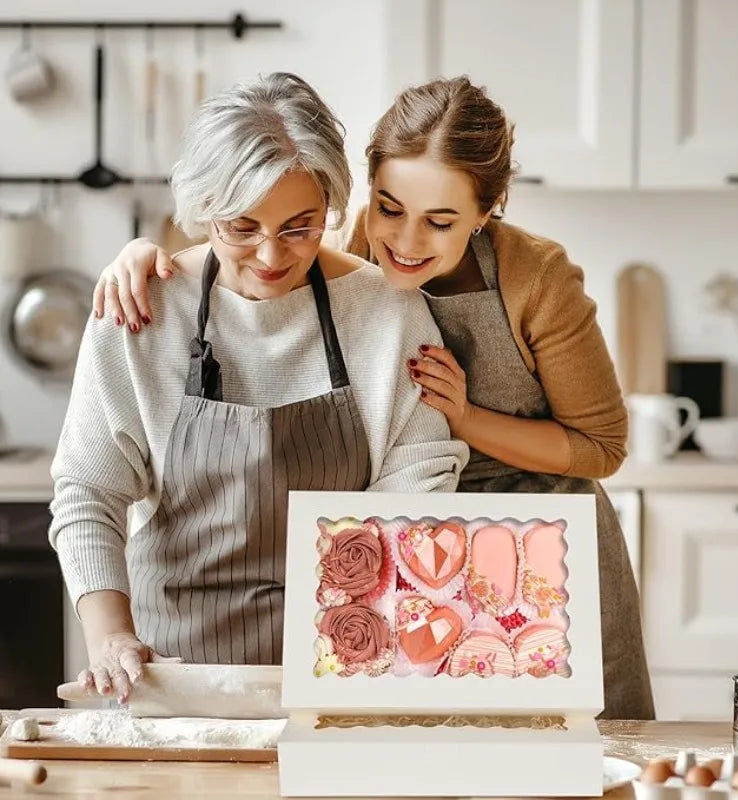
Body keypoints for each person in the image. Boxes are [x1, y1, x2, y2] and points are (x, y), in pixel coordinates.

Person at [91, 76, 654, 719]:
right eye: (389, 208)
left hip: (534, 554)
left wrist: (463, 419)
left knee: (576, 753)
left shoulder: (536, 279)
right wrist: (148, 258)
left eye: (439, 222)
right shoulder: (353, 257)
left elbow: (601, 447)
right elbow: (259, 241)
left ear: (490, 207)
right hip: (408, 556)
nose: (406, 243)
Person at [50, 72, 467, 703]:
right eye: (241, 228)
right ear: (202, 211)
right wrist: (110, 637)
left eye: (300, 226)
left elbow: (419, 469)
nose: (272, 255)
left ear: (330, 205)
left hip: (347, 671)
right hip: (173, 674)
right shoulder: (142, 310)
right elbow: (88, 491)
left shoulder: (387, 313)